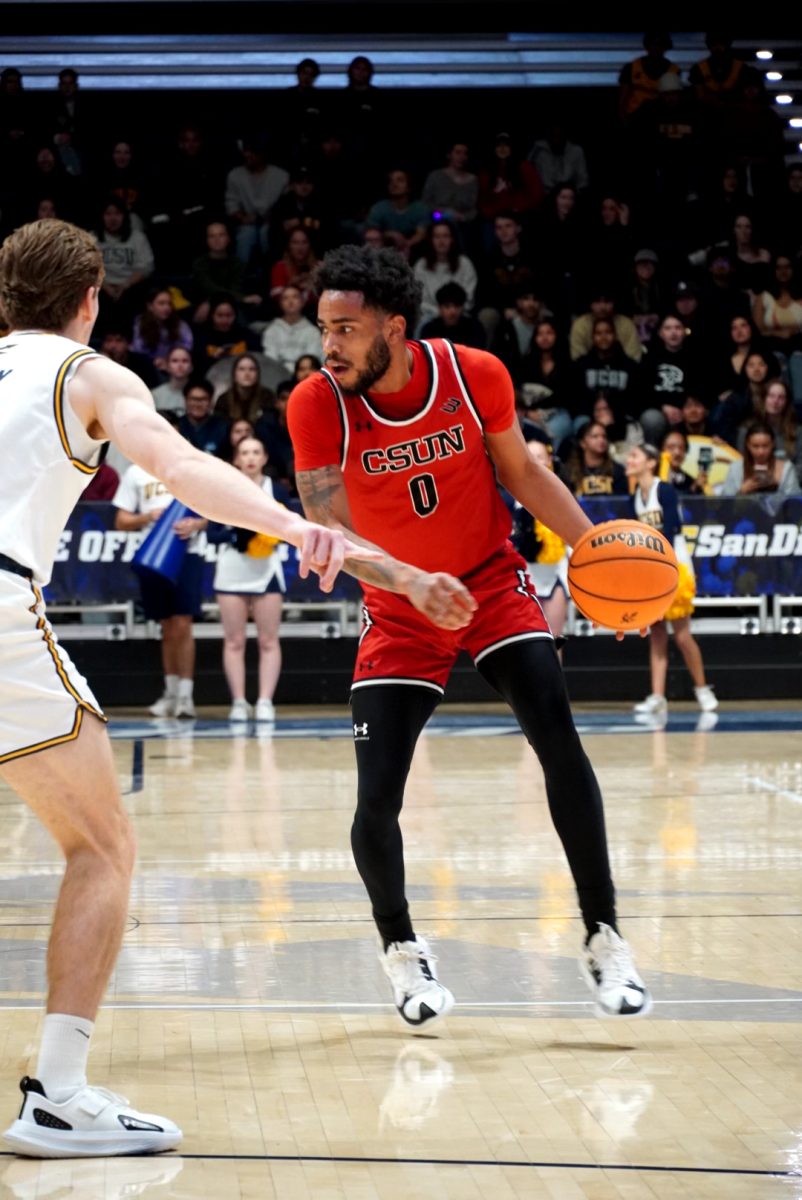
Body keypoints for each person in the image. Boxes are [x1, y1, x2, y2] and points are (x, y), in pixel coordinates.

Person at [0, 217, 371, 1158]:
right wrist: (295, 528)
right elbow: (182, 469)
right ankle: (60, 1096)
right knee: (101, 847)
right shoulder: (88, 374)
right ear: (89, 300)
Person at [288, 243, 652, 1031]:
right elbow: (330, 529)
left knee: (558, 735)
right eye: (324, 327)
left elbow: (522, 472)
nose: (330, 345)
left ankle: (603, 934)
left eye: (346, 329)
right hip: (397, 603)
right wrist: (411, 583)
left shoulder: (474, 372)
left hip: (489, 583)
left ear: (393, 326)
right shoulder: (316, 405)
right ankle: (401, 951)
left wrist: (599, 555)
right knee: (377, 793)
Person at [626, 443, 718, 718]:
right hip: (651, 571)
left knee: (682, 635)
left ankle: (702, 689)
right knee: (656, 635)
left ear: (651, 462)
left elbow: (672, 529)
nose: (629, 460)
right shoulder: (635, 496)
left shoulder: (663, 490)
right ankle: (657, 696)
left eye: (634, 456)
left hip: (674, 567)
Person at [209, 436, 288, 724]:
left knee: (268, 639)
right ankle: (239, 701)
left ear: (265, 457)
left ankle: (266, 700)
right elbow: (211, 533)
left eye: (256, 451)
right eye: (245, 452)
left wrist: (268, 537)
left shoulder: (275, 489)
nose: (251, 457)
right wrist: (236, 535)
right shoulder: (224, 489)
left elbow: (291, 527)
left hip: (266, 571)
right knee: (234, 640)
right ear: (236, 459)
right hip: (232, 571)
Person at [510, 439, 570, 647]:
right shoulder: (511, 496)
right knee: (527, 646)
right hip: (523, 579)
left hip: (555, 576)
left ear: (550, 461)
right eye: (530, 457)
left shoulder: (561, 495)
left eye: (540, 458)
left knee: (554, 644)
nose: (535, 462)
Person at [224, 135, 289, 265]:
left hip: (272, 223)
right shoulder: (235, 175)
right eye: (246, 152)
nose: (248, 155)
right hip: (247, 222)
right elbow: (231, 203)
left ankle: (270, 273)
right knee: (245, 236)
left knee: (267, 233)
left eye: (253, 152)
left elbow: (286, 204)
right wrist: (242, 217)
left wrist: (273, 217)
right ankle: (240, 277)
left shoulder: (281, 176)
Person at [412, 220, 478, 324]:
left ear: (452, 239)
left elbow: (469, 298)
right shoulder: (421, 265)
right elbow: (418, 300)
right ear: (431, 240)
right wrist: (440, 312)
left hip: (460, 315)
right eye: (437, 237)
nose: (441, 241)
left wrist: (452, 312)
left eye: (446, 236)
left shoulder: (465, 264)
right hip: (429, 316)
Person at [720, 421, 800, 496]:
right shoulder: (735, 468)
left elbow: (794, 502)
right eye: (755, 446)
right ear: (748, 445)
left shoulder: (786, 468)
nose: (760, 452)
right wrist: (742, 491)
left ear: (773, 444)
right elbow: (725, 504)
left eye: (765, 446)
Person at [365, 168, 429, 259]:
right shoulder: (379, 208)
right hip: (383, 249)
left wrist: (406, 244)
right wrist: (390, 234)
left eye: (400, 180)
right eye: (391, 181)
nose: (394, 184)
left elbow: (421, 234)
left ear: (409, 187)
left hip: (413, 251)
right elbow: (371, 233)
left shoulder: (419, 208)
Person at [261, 284, 322, 374]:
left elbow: (312, 360)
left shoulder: (313, 332)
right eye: (285, 298)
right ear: (280, 303)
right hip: (278, 377)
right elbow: (270, 360)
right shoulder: (271, 331)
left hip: (304, 378)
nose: (290, 301)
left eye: (295, 297)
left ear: (302, 302)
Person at [131, 287, 193, 372]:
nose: (167, 308)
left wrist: (168, 361)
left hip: (173, 366)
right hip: (147, 365)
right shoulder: (139, 323)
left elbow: (186, 347)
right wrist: (154, 361)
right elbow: (137, 349)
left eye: (169, 304)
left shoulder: (180, 325)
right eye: (161, 303)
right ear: (150, 306)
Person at [421, 141, 479, 233]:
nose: (461, 157)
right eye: (458, 153)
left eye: (464, 154)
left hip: (463, 224)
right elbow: (425, 203)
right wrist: (444, 212)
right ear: (449, 155)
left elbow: (473, 209)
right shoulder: (435, 176)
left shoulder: (473, 180)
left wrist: (463, 217)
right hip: (437, 218)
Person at [564, 420, 628, 496]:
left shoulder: (617, 470)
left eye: (604, 436)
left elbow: (621, 502)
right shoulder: (569, 471)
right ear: (582, 443)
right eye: (595, 436)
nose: (601, 440)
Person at [417, 281, 486, 349]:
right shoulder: (429, 330)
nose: (452, 311)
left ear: (462, 307)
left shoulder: (474, 328)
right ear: (440, 308)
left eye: (457, 306)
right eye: (447, 306)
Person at [214, 352, 275, 423]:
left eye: (252, 369)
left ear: (257, 374)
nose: (247, 373)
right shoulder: (224, 400)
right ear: (234, 375)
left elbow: (270, 427)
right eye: (242, 369)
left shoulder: (267, 397)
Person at [268, 227, 319, 309]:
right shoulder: (280, 267)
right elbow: (277, 297)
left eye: (304, 242)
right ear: (289, 245)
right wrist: (291, 286)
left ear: (310, 245)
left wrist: (312, 288)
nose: (300, 247)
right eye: (295, 243)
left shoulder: (319, 267)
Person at [177, 379, 229, 456]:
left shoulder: (223, 427)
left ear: (211, 401)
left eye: (203, 399)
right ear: (186, 400)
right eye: (193, 399)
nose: (198, 404)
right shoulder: (176, 427)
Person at [151, 345, 194, 415]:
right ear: (167, 366)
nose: (180, 365)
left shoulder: (201, 395)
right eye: (175, 361)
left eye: (185, 361)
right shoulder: (155, 395)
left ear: (191, 366)